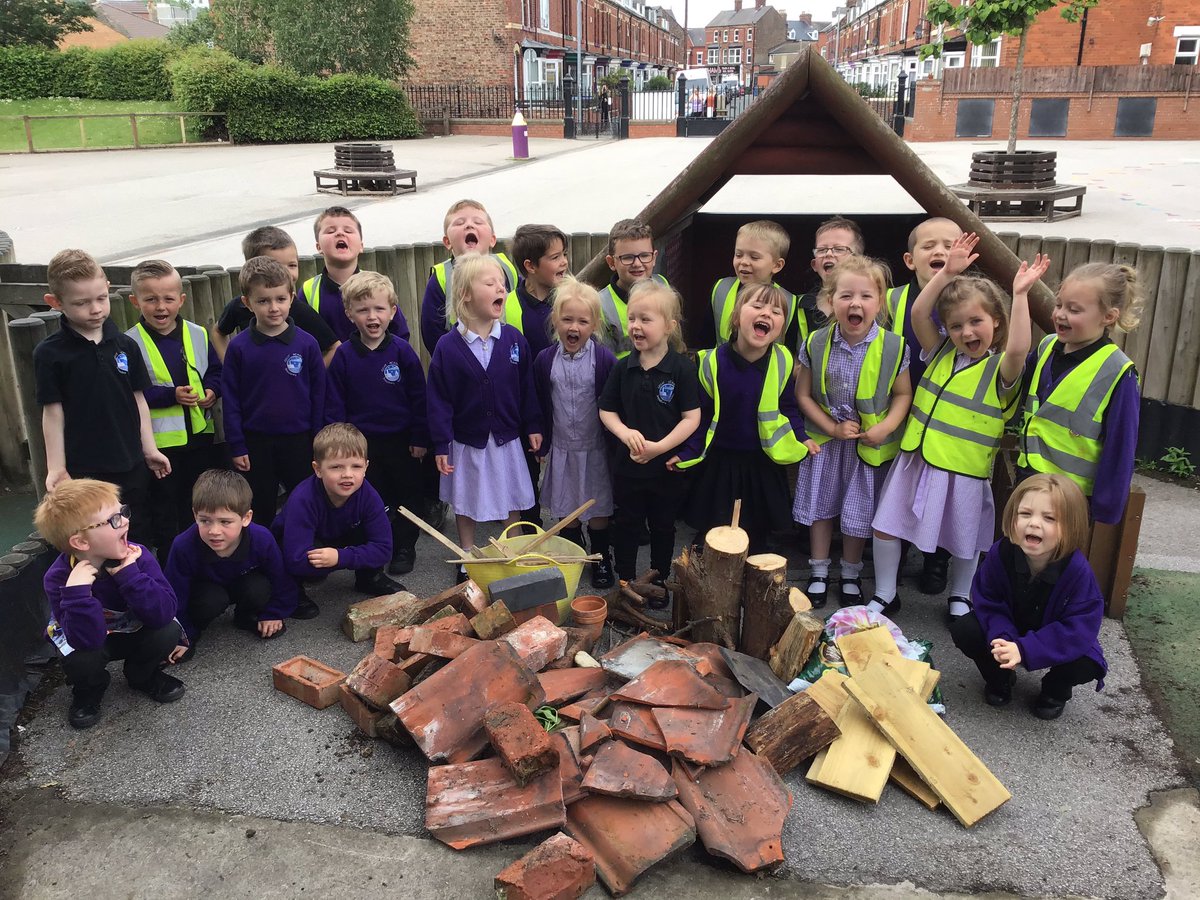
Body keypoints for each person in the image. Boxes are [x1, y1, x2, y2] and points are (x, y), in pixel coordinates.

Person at [872, 234, 1047, 621]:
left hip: (964, 470)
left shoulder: (1002, 369)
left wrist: (1020, 295)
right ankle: (885, 594)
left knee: (965, 538)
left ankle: (960, 596)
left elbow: (1019, 347)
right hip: (916, 459)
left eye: (976, 322)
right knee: (886, 525)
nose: (966, 332)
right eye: (956, 326)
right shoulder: (940, 351)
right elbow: (919, 313)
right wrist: (947, 272)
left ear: (995, 321)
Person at [792, 256, 912, 609]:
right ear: (831, 301)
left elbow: (903, 394)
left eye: (865, 296)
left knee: (857, 511)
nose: (855, 304)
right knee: (822, 507)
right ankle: (818, 570)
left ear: (880, 302)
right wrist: (831, 426)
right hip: (828, 443)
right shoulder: (816, 342)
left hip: (866, 445)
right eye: (845, 296)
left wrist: (886, 428)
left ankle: (850, 572)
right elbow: (802, 394)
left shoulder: (893, 346)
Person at [35, 249, 171, 548]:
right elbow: (53, 412)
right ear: (55, 302)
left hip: (131, 462)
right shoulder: (50, 354)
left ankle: (141, 590)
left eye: (100, 298)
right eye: (81, 303)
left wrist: (149, 449)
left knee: (137, 534)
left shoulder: (125, 345)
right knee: (91, 539)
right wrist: (56, 467)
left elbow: (139, 401)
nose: (95, 309)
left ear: (108, 288)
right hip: (85, 469)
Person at [951, 473, 1107, 720]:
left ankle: (1055, 690)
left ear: (1072, 527)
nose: (1034, 524)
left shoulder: (1077, 572)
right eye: (1025, 514)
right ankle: (1000, 678)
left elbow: (1078, 628)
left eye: (1049, 518)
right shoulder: (1001, 553)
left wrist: (1025, 649)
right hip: (1010, 626)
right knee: (966, 629)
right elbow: (989, 602)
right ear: (1012, 518)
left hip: (1052, 634)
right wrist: (1004, 641)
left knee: (1087, 662)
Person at [426, 253, 543, 580]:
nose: (501, 289)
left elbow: (527, 388)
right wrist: (439, 444)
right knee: (466, 501)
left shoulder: (514, 341)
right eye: (490, 283)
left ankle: (513, 552)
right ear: (465, 294)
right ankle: (468, 556)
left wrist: (533, 424)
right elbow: (438, 399)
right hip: (466, 442)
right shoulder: (448, 348)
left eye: (503, 284)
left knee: (511, 497)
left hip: (507, 439)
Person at [674, 283, 814, 555]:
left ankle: (755, 588)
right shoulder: (709, 362)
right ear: (737, 317)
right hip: (719, 462)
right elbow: (699, 417)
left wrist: (802, 437)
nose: (767, 314)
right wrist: (687, 452)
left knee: (757, 537)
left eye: (776, 311)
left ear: (782, 327)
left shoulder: (784, 361)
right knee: (713, 535)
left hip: (762, 463)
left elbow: (788, 407)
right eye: (758, 307)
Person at [36, 479, 185, 730]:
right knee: (78, 658)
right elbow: (85, 641)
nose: (125, 521)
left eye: (123, 512)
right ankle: (89, 689)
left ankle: (142, 675)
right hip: (92, 640)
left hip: (135, 630)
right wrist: (78, 594)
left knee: (167, 631)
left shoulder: (137, 555)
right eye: (114, 520)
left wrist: (131, 577)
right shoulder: (58, 578)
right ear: (81, 543)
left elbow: (164, 612)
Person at [1016, 263, 1142, 526]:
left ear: (1108, 316)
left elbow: (1121, 444)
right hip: (1027, 479)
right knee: (1019, 557)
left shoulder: (1119, 372)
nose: (1060, 315)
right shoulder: (1046, 347)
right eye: (1059, 304)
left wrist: (1105, 508)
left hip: (1069, 497)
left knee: (1054, 564)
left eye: (1074, 310)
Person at [599, 280, 700, 605]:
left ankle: (658, 580)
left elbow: (691, 418)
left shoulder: (681, 368)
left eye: (646, 319)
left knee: (662, 526)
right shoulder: (622, 366)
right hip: (628, 467)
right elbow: (606, 410)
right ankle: (627, 580)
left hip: (665, 468)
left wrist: (661, 447)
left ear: (669, 326)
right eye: (632, 318)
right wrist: (624, 433)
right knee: (626, 524)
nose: (636, 326)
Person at [326, 271, 429, 577]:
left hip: (402, 442)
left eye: (379, 309)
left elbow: (418, 398)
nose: (372, 316)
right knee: (372, 499)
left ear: (392, 311)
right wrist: (341, 448)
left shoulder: (402, 352)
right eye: (363, 310)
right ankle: (374, 548)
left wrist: (421, 437)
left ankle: (404, 546)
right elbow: (335, 405)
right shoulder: (344, 356)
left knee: (407, 496)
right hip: (361, 446)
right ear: (350, 315)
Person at [888, 216, 967, 595]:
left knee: (945, 492)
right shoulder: (891, 301)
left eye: (949, 245)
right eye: (929, 246)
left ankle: (937, 560)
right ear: (909, 259)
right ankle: (898, 553)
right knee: (900, 487)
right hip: (900, 410)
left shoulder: (972, 301)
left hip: (950, 419)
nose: (940, 252)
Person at [125, 259, 222, 563]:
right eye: (151, 299)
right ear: (135, 301)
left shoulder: (198, 333)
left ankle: (203, 560)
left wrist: (212, 391)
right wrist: (171, 396)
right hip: (161, 448)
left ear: (181, 300)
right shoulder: (128, 343)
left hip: (199, 439)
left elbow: (217, 373)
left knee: (198, 506)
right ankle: (170, 566)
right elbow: (129, 394)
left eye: (168, 299)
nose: (161, 307)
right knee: (166, 513)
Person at [221, 257, 326, 528]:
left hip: (300, 441)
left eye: (280, 298)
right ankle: (262, 557)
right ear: (247, 303)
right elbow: (231, 399)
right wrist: (237, 444)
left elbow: (318, 394)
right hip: (256, 443)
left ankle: (302, 556)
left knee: (304, 502)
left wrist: (317, 440)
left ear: (291, 297)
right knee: (259, 507)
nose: (273, 307)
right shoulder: (239, 348)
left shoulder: (307, 343)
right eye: (263, 301)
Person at [166, 469, 312, 655]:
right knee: (211, 600)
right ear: (195, 515)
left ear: (246, 518)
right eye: (205, 521)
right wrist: (182, 635)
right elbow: (174, 594)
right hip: (207, 592)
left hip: (244, 584)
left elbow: (281, 578)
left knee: (259, 587)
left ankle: (247, 616)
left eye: (225, 522)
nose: (214, 531)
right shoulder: (183, 546)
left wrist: (274, 612)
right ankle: (194, 628)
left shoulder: (261, 538)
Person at [533, 277, 617, 589]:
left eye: (583, 321)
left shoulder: (603, 359)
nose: (574, 327)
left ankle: (600, 556)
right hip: (563, 448)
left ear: (593, 324)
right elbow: (541, 402)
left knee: (597, 508)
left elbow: (612, 403)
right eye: (567, 319)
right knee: (566, 507)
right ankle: (572, 552)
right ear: (556, 320)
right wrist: (540, 438)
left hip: (594, 447)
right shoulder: (545, 360)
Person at [272, 423, 404, 603]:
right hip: (302, 541)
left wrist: (340, 557)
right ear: (318, 469)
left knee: (379, 527)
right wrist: (339, 557)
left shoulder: (369, 495)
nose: (347, 475)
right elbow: (296, 558)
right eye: (336, 467)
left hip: (340, 536)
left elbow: (384, 550)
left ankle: (369, 578)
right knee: (303, 567)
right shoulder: (303, 499)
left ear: (366, 467)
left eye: (356, 466)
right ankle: (292, 589)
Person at [506, 224, 570, 529]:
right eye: (555, 257)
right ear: (530, 266)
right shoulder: (509, 306)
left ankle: (570, 525)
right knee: (527, 468)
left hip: (566, 400)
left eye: (563, 255)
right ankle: (530, 524)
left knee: (566, 465)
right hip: (524, 405)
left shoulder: (570, 299)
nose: (564, 263)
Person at [211, 226, 340, 365]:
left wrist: (307, 377)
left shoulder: (299, 310)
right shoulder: (239, 306)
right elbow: (218, 332)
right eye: (276, 266)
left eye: (292, 265)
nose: (287, 274)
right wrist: (230, 364)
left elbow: (334, 347)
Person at [419, 199, 519, 356]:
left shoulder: (507, 267)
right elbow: (431, 330)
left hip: (505, 352)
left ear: (493, 239)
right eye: (459, 223)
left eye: (478, 222)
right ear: (447, 241)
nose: (469, 225)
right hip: (458, 357)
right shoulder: (441, 276)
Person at [298, 206, 409, 345]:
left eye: (348, 230)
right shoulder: (309, 290)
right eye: (331, 231)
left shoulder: (377, 287)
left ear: (361, 245)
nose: (340, 233)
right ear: (318, 246)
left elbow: (400, 333)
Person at [707, 220, 798, 348]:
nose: (744, 262)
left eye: (754, 257)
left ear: (777, 265)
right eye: (738, 255)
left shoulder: (789, 302)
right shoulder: (721, 289)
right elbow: (706, 338)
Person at [599, 218, 669, 358]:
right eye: (627, 257)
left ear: (654, 257)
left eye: (644, 256)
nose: (637, 263)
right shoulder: (600, 304)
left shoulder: (663, 285)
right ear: (611, 262)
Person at [797, 215, 865, 344]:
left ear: (858, 260)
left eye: (839, 249)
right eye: (822, 250)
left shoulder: (875, 302)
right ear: (814, 265)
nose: (828, 254)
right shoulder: (798, 305)